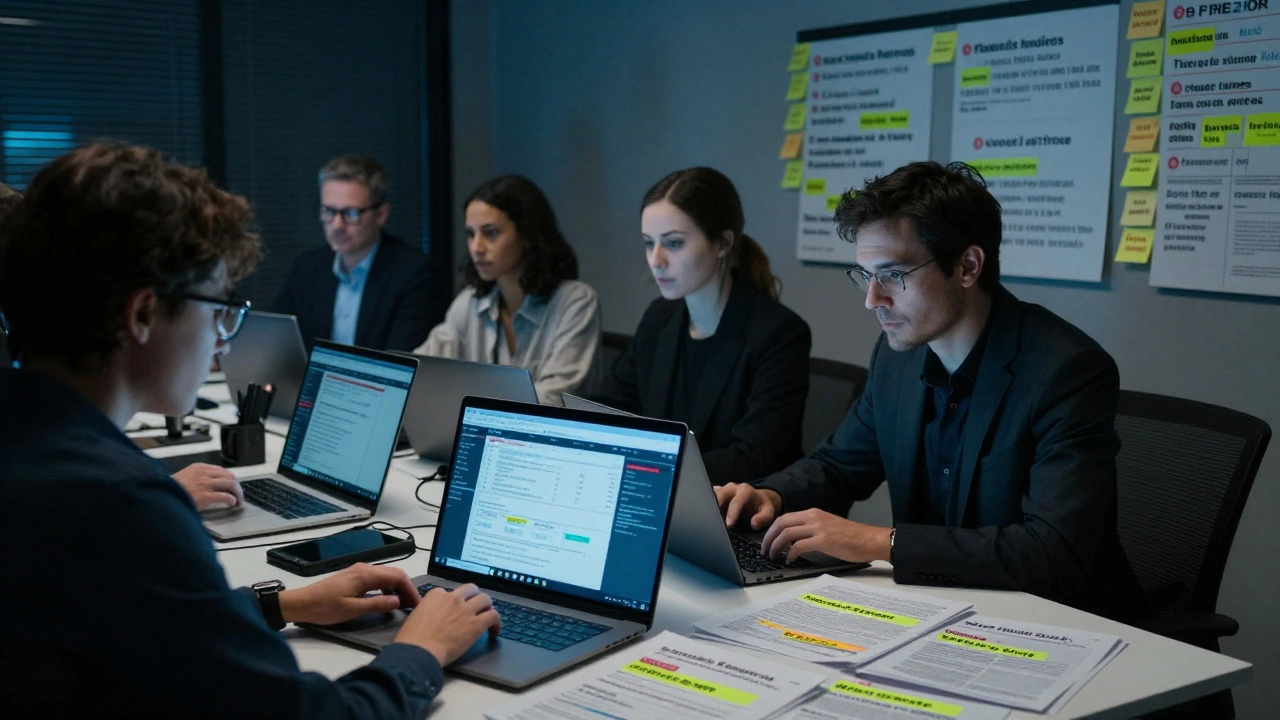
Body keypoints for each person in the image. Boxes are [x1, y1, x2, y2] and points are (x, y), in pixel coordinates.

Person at [0, 143, 501, 718]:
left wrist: (286, 602)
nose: (222, 337)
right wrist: (423, 649)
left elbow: (138, 621)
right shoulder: (122, 508)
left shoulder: (32, 450)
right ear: (141, 315)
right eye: (217, 307)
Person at [715, 161, 1146, 623]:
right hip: (944, 615)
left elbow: (1051, 552)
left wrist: (879, 542)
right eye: (865, 275)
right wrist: (771, 496)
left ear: (967, 266)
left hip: (1061, 625)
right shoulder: (898, 356)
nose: (872, 299)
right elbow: (839, 465)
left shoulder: (1065, 370)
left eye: (893, 275)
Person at [606, 167, 811, 486]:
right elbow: (610, 408)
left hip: (740, 518)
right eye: (649, 243)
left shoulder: (778, 334)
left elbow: (754, 458)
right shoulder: (659, 318)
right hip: (661, 501)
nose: (656, 260)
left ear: (722, 243)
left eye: (673, 243)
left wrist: (648, 466)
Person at [415, 175, 601, 405]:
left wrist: (465, 404)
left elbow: (554, 400)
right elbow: (419, 371)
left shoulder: (575, 302)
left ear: (527, 234)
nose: (476, 247)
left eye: (490, 233)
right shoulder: (471, 302)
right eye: (471, 234)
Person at [273, 154, 449, 351]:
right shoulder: (307, 268)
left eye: (351, 213)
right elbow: (276, 345)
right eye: (329, 211)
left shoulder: (416, 275)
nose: (337, 225)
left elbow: (401, 363)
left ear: (381, 214)